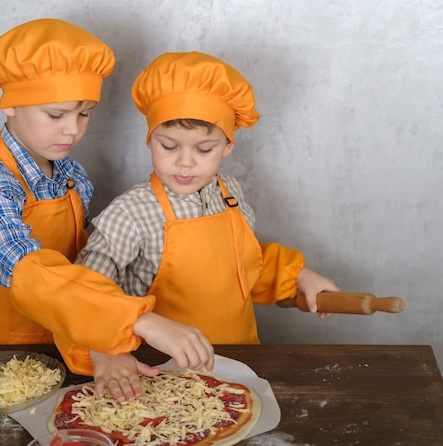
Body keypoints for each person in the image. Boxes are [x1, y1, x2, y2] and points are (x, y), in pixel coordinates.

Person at [0, 20, 214, 397]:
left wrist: (100, 344)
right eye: (56, 115)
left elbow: (82, 269)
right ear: (11, 104)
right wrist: (138, 321)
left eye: (84, 114)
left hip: (65, 350)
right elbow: (30, 271)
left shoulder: (72, 175)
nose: (73, 130)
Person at [76, 51, 340, 395]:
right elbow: (86, 291)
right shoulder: (132, 212)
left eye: (204, 150)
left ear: (227, 145)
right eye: (169, 146)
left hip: (240, 367)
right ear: (149, 139)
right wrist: (104, 351)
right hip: (161, 375)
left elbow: (244, 267)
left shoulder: (230, 194)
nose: (185, 163)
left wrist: (300, 276)